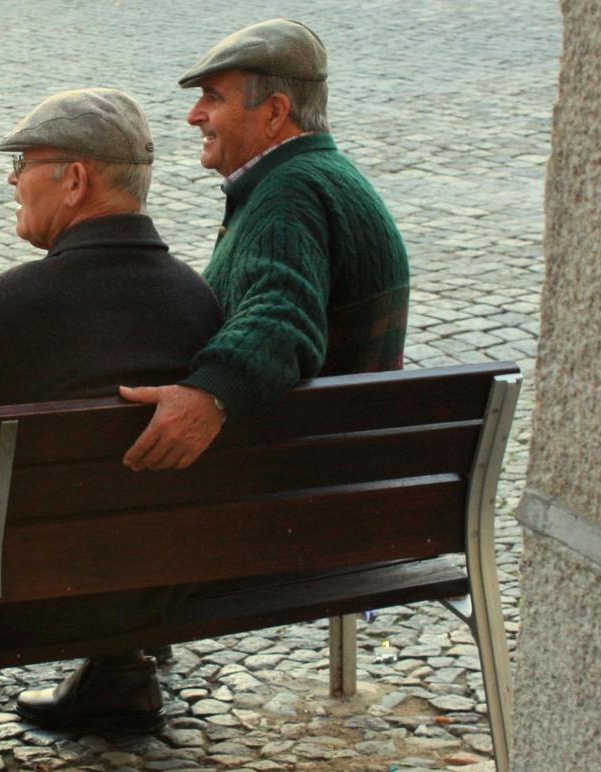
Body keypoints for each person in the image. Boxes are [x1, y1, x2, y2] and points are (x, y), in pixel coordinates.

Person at [0, 88, 221, 730]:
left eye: (24, 166)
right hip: (172, 586)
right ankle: (120, 668)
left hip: (17, 598)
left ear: (74, 181)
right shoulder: (199, 304)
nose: (13, 181)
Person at [121, 18, 411, 472]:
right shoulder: (325, 177)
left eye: (212, 97)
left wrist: (209, 393)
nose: (194, 115)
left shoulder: (291, 192)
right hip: (347, 463)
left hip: (304, 477)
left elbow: (282, 313)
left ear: (275, 112)